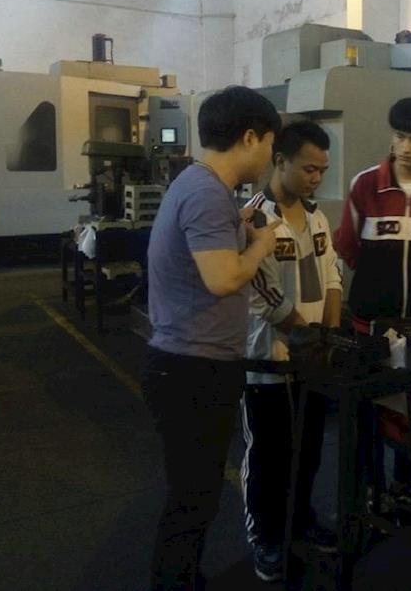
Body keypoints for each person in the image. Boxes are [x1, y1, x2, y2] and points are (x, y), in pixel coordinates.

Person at [141, 85, 282, 591]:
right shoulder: (205, 194)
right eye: (271, 145)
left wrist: (237, 229)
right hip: (191, 371)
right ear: (250, 138)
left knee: (196, 496)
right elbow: (223, 279)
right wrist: (262, 242)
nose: (270, 157)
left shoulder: (201, 187)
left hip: (191, 365)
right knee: (192, 499)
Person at [333, 97, 411, 521]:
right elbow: (347, 246)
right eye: (400, 136)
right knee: (369, 408)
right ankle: (373, 490)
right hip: (370, 321)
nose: (405, 147)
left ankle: (406, 488)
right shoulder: (365, 185)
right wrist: (376, 286)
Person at [239, 120, 343, 582]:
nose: (316, 178)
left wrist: (330, 336)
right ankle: (264, 536)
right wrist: (306, 337)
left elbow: (333, 274)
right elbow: (262, 297)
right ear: (279, 161)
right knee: (268, 455)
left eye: (322, 170)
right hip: (270, 363)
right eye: (308, 168)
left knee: (309, 448)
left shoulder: (317, 217)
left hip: (314, 361)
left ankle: (300, 519)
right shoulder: (254, 219)